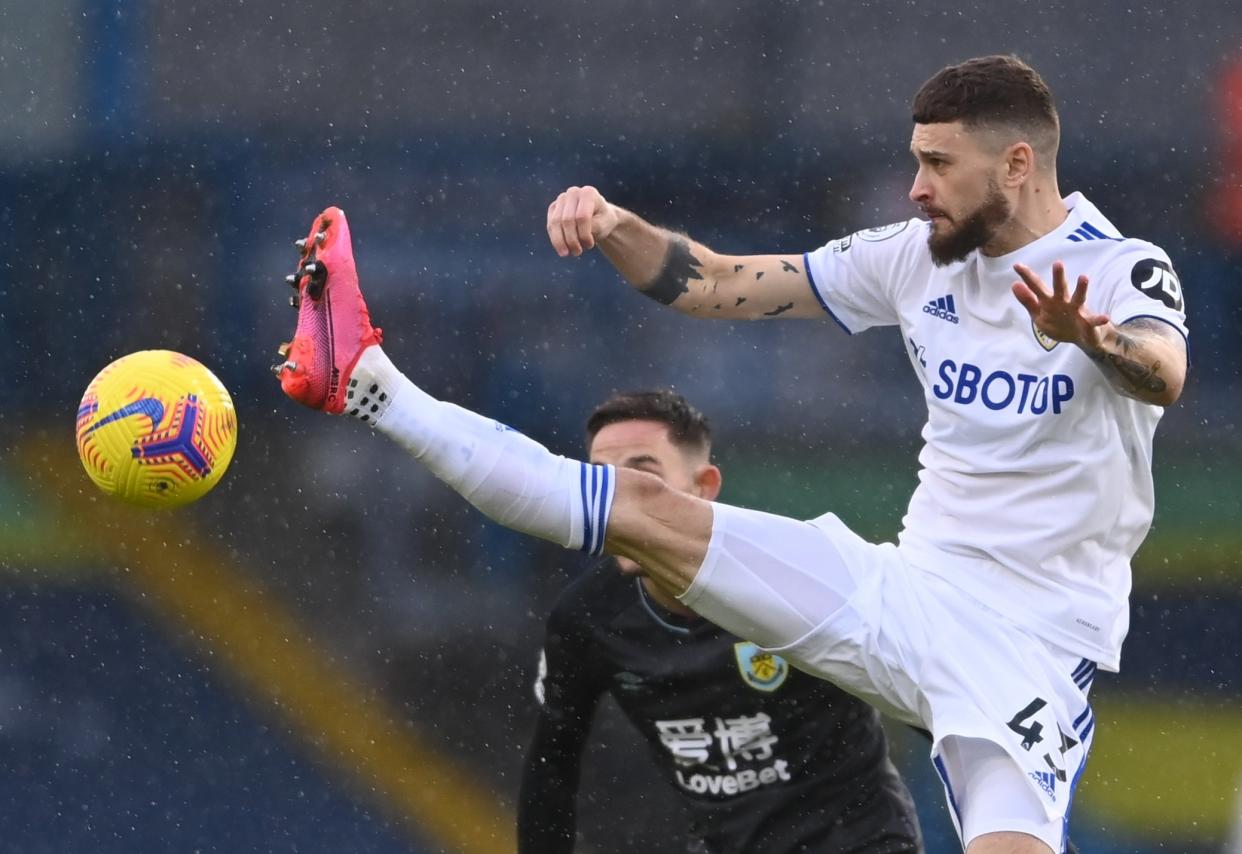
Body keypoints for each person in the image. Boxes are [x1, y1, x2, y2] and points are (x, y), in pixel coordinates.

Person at [273, 54, 1186, 854]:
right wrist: (616, 225)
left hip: (1032, 647)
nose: (915, 186)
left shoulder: (1120, 268)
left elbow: (1163, 371)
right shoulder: (912, 258)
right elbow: (714, 282)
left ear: (1017, 164)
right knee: (639, 508)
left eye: (938, 164)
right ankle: (366, 381)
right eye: (916, 161)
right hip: (905, 594)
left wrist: (1091, 340)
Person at [518, 390, 922, 854]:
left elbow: (927, 697)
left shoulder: (793, 575)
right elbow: (552, 764)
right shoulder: (587, 618)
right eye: (602, 483)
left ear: (704, 487)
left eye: (642, 477)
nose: (620, 502)